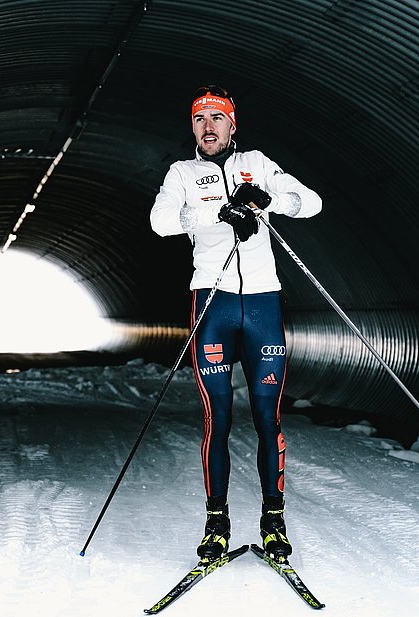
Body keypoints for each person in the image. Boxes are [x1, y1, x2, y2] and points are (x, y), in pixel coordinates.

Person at [149, 85, 322, 563]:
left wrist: (266, 200)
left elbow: (312, 202)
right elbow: (161, 223)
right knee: (217, 420)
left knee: (269, 418)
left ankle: (274, 521)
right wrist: (218, 212)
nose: (208, 127)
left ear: (232, 125)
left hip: (263, 304)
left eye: (217, 119)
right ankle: (216, 522)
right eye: (199, 120)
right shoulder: (182, 173)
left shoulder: (259, 161)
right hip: (213, 303)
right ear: (193, 129)